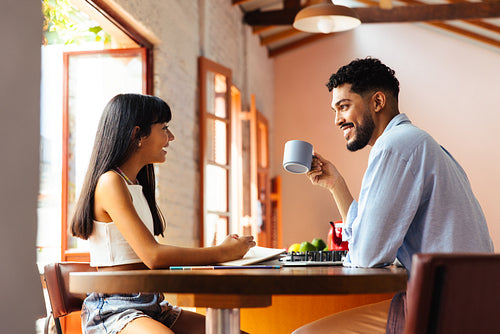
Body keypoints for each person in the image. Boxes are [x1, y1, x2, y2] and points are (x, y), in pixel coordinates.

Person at [293, 57, 493, 333]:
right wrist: (336, 185)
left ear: (377, 102)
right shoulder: (416, 142)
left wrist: (360, 251)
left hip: (444, 308)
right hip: (471, 301)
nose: (337, 120)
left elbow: (367, 255)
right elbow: (370, 242)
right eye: (334, 109)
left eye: (344, 106)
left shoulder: (395, 147)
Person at [70, 93, 256, 334]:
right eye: (164, 128)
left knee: (231, 332)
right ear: (138, 134)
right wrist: (221, 253)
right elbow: (153, 256)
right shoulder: (110, 182)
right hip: (114, 310)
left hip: (153, 306)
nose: (171, 137)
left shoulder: (132, 184)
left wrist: (223, 254)